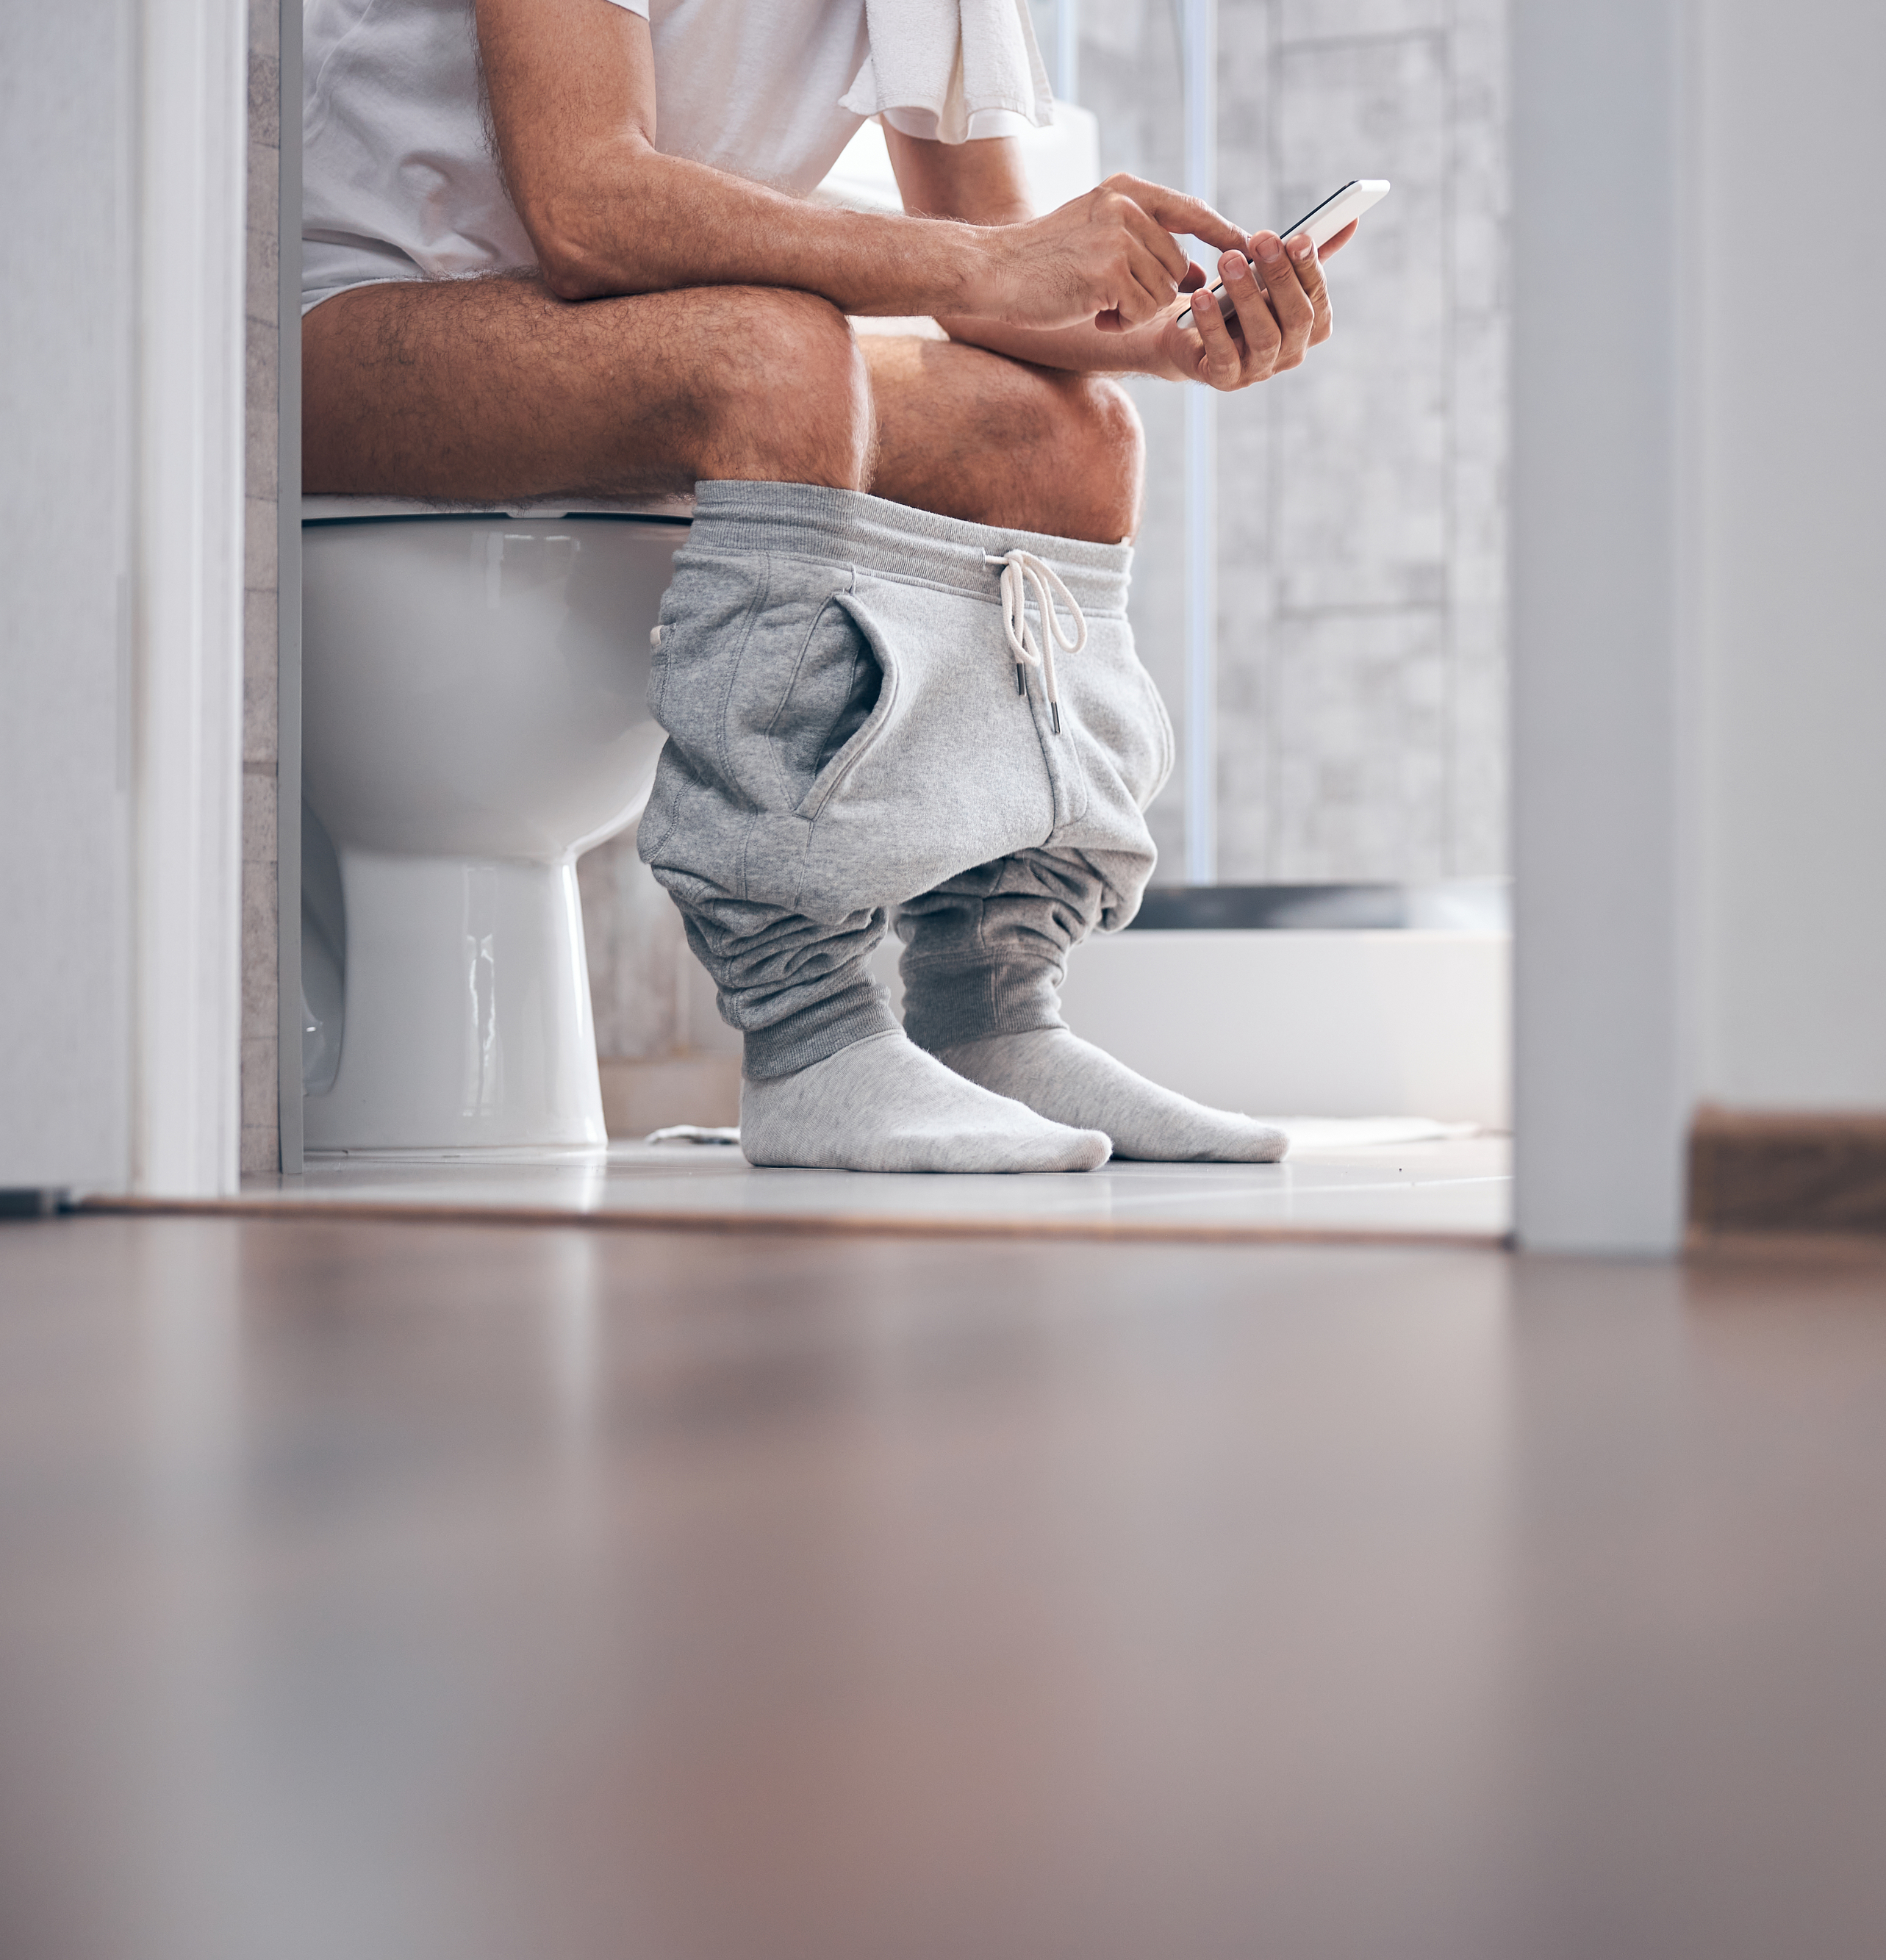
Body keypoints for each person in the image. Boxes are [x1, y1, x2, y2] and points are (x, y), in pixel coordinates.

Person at [301, 0, 1352, 1171]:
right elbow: (587, 206)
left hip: (620, 343)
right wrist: (992, 260)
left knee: (1067, 436)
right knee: (779, 357)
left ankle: (989, 1014)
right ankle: (807, 1035)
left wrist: (1168, 337)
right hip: (350, 326)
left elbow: (995, 276)